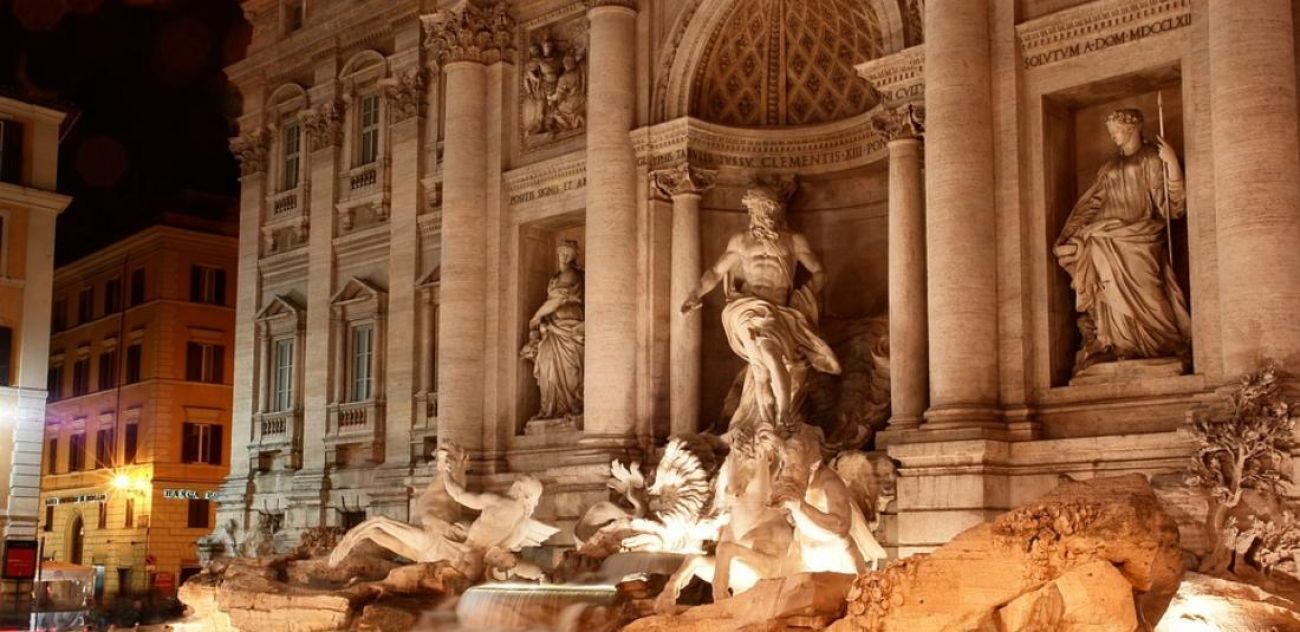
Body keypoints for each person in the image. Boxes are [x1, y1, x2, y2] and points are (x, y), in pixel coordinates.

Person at [681, 183, 840, 433]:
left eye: (765, 208)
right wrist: (695, 294)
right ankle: (780, 415)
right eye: (755, 209)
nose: (761, 214)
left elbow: (819, 272)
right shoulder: (740, 241)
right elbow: (715, 272)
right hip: (746, 307)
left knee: (764, 365)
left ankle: (778, 415)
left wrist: (805, 296)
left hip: (778, 311)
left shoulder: (794, 241)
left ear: (776, 210)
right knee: (765, 357)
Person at [1054, 108, 1191, 374]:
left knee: (1150, 292)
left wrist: (1172, 165)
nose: (1113, 136)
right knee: (1107, 289)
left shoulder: (1151, 158)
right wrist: (1070, 233)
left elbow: (1170, 207)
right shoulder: (1109, 167)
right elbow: (1092, 203)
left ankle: (1162, 344)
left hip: (1141, 235)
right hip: (1104, 236)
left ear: (1131, 129)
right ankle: (1119, 344)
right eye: (1111, 132)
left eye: (1116, 131)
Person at [521, 240, 585, 419]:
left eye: (568, 252)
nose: (564, 255)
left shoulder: (571, 274)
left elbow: (557, 300)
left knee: (570, 370)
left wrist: (535, 317)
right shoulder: (556, 276)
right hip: (553, 328)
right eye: (561, 251)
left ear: (575, 255)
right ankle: (550, 408)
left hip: (568, 326)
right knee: (547, 364)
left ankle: (571, 406)